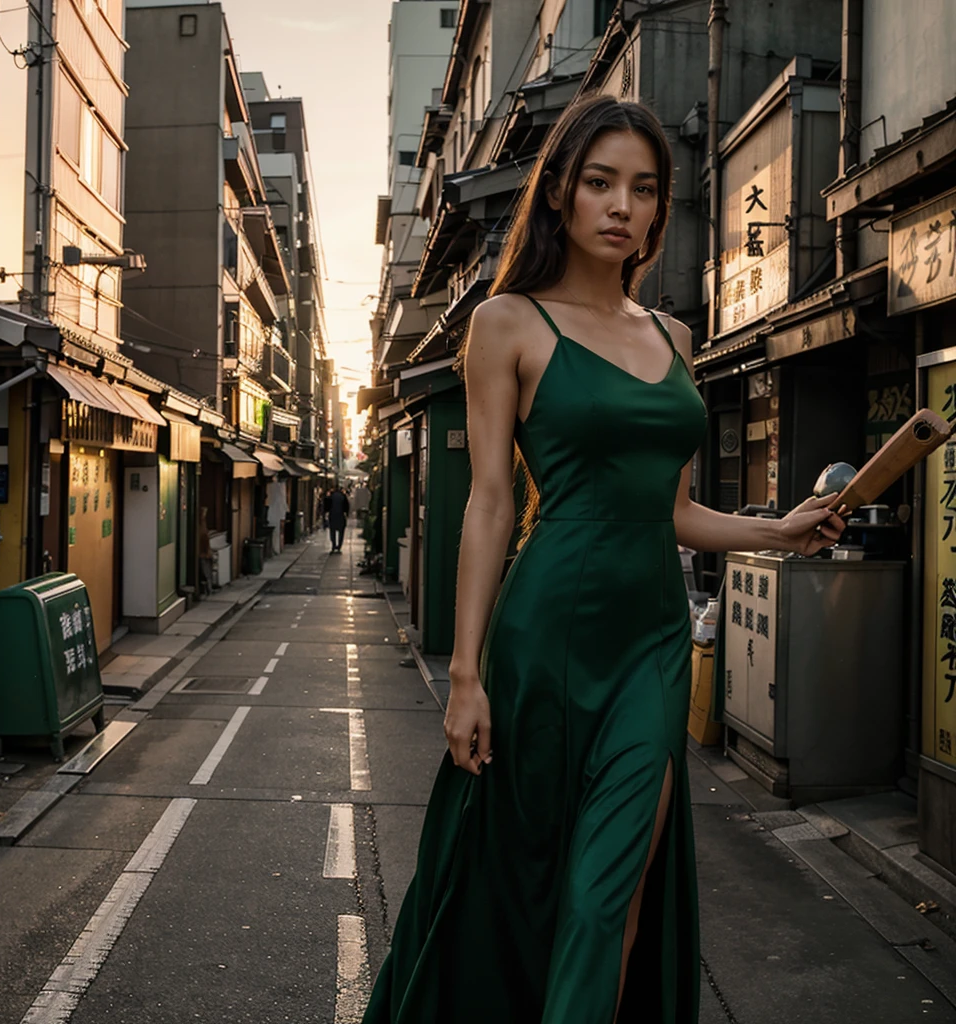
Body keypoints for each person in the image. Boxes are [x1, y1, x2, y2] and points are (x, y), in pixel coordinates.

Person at [361, 95, 844, 1024]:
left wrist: (780, 530)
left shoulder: (675, 339)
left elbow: (673, 511)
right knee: (526, 878)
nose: (623, 206)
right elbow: (491, 503)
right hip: (544, 636)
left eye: (645, 190)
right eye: (600, 183)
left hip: (653, 644)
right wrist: (463, 673)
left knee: (606, 896)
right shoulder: (506, 321)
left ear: (662, 211)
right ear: (559, 199)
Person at [327, 483, 350, 553]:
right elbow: (347, 507)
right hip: (341, 516)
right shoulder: (343, 496)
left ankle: (334, 545)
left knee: (332, 532)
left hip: (332, 516)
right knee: (341, 532)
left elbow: (327, 506)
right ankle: (339, 547)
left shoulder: (331, 496)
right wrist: (346, 514)